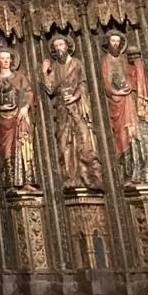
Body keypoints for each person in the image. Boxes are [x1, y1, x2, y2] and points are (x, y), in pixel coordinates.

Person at [41, 36, 102, 190]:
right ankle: (70, 177)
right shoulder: (54, 67)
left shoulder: (76, 63)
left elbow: (83, 82)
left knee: (84, 138)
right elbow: (50, 89)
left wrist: (75, 96)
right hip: (62, 108)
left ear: (67, 46)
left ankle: (88, 176)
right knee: (64, 143)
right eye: (55, 46)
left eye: (61, 44)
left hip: (76, 106)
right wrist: (44, 72)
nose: (58, 48)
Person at [100, 33, 148, 185]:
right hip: (119, 103)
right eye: (113, 41)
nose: (115, 44)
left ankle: (147, 171)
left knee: (141, 134)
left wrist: (137, 67)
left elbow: (134, 78)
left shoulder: (125, 60)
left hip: (131, 101)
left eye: (118, 41)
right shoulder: (105, 61)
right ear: (108, 43)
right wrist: (117, 92)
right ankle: (129, 172)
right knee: (124, 137)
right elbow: (105, 83)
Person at [0, 50, 37, 192]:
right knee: (7, 148)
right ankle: (10, 182)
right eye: (2, 58)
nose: (5, 61)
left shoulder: (19, 77)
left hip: (19, 117)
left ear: (11, 61)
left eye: (8, 58)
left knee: (23, 146)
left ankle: (26, 180)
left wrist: (25, 107)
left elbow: (29, 92)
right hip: (4, 119)